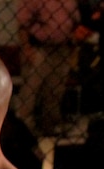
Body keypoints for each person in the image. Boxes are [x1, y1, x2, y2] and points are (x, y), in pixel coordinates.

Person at [14, 0, 81, 137]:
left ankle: (50, 125)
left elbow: (74, 22)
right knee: (31, 90)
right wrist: (27, 48)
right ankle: (25, 128)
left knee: (55, 90)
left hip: (62, 48)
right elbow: (23, 24)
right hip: (39, 47)